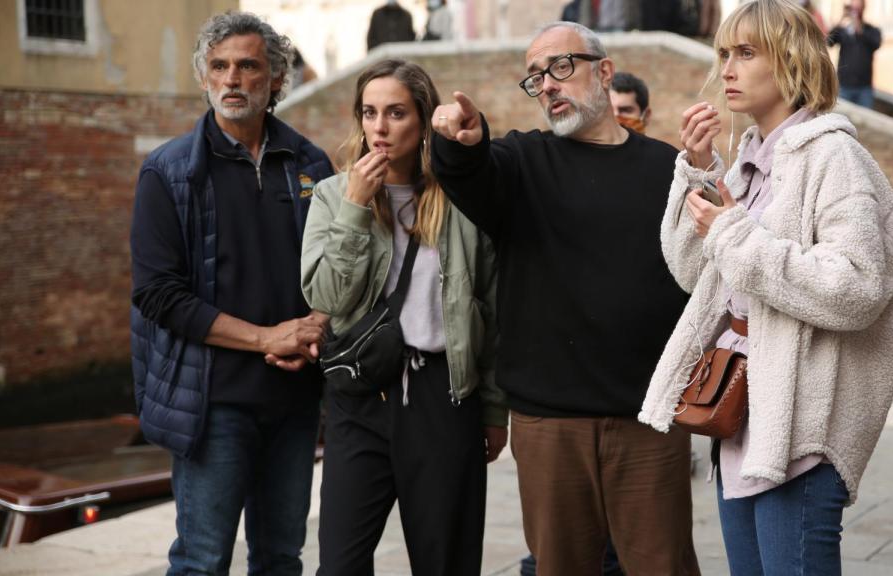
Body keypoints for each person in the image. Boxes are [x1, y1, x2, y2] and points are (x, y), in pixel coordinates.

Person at [640, 1, 893, 573]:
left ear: (790, 61)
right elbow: (695, 275)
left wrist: (734, 231)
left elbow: (857, 287)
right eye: (723, 55)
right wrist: (698, 169)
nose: (728, 69)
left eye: (746, 53)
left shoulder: (835, 157)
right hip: (740, 418)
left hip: (802, 432)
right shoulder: (748, 162)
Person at [431, 21, 700, 576]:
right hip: (550, 424)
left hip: (648, 419)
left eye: (559, 67)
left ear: (603, 72)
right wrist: (460, 142)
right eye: (535, 77)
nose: (547, 84)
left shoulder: (665, 168)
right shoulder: (522, 161)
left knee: (662, 566)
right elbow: (471, 172)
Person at [129, 11, 334, 574]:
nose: (232, 79)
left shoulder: (312, 164)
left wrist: (313, 325)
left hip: (294, 402)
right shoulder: (168, 172)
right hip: (212, 404)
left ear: (274, 79)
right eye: (219, 67)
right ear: (203, 77)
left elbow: (340, 270)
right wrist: (267, 336)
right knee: (202, 560)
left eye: (248, 66)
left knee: (280, 559)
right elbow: (158, 295)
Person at [301, 59, 506, 576]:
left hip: (441, 396)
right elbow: (325, 296)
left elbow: (492, 305)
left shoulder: (460, 202)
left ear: (422, 120)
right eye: (369, 113)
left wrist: (494, 409)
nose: (379, 127)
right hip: (359, 398)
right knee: (340, 565)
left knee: (446, 562)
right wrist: (354, 208)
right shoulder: (331, 195)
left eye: (395, 113)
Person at [827, 0, 882, 108]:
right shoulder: (843, 31)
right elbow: (829, 41)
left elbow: (876, 44)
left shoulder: (872, 30)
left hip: (864, 88)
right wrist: (842, 18)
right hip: (844, 86)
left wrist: (856, 22)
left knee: (865, 121)